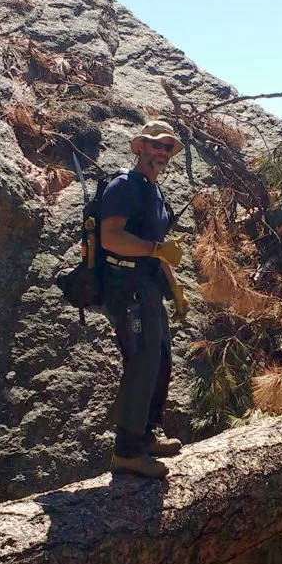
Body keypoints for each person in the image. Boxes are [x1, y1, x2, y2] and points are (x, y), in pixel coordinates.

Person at [100, 121, 190, 478]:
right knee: (142, 360)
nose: (163, 152)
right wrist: (155, 249)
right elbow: (110, 237)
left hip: (148, 286)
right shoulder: (124, 186)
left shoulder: (155, 193)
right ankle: (127, 450)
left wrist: (175, 288)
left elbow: (160, 249)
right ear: (140, 148)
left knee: (161, 360)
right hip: (125, 285)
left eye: (168, 147)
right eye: (156, 145)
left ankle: (147, 435)